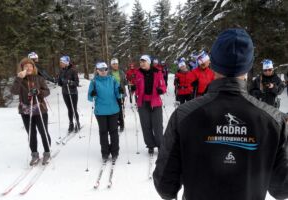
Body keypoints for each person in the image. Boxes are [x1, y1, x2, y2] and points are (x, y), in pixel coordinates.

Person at [153, 28, 288, 200]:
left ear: (214, 63)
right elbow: (282, 188)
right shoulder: (274, 120)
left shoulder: (184, 116)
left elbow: (165, 186)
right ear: (248, 66)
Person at [11, 58, 51, 165]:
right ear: (22, 68)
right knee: (31, 133)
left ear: (33, 68)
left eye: (30, 66)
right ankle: (34, 154)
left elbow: (47, 91)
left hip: (40, 109)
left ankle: (47, 152)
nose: (28, 68)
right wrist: (19, 78)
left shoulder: (39, 78)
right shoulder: (19, 79)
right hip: (25, 111)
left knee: (43, 132)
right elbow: (14, 91)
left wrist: (38, 91)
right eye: (26, 66)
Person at [131, 55, 166, 154]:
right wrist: (134, 88)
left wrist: (161, 90)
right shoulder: (137, 73)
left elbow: (163, 86)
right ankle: (150, 145)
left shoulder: (157, 72)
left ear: (149, 62)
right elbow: (136, 87)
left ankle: (160, 144)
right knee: (146, 125)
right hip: (143, 103)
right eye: (141, 62)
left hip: (155, 102)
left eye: (144, 62)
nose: (142, 64)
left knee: (157, 126)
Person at [88, 62, 121, 161]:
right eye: (101, 70)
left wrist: (121, 92)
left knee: (114, 132)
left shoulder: (112, 80)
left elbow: (118, 94)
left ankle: (115, 152)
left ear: (107, 70)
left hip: (113, 110)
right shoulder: (94, 82)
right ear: (97, 70)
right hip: (100, 111)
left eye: (105, 69)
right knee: (103, 132)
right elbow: (89, 97)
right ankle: (105, 153)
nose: (103, 71)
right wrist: (92, 94)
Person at [57, 56, 80, 133]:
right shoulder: (61, 71)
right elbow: (60, 83)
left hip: (73, 92)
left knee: (74, 108)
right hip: (65, 92)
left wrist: (70, 82)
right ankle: (71, 123)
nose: (61, 64)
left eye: (62, 62)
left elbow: (77, 83)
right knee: (69, 109)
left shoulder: (73, 70)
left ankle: (77, 123)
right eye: (60, 62)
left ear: (66, 62)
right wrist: (59, 81)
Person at [109, 58, 127, 132]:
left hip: (121, 93)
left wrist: (128, 82)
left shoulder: (121, 72)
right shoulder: (109, 73)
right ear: (111, 65)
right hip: (112, 94)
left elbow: (125, 82)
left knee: (120, 109)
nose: (115, 65)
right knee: (114, 109)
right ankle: (115, 123)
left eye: (116, 64)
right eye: (113, 64)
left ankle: (121, 123)